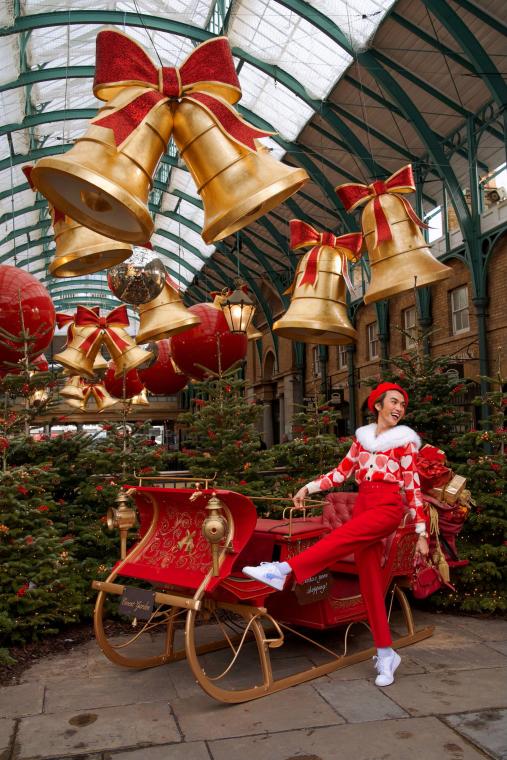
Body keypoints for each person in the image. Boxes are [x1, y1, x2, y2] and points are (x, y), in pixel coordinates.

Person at [243, 382, 429, 687]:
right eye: (394, 402)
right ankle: (386, 655)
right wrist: (308, 487)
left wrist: (421, 531)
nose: (399, 408)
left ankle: (285, 569)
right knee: (370, 584)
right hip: (364, 505)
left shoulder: (404, 442)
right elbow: (341, 473)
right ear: (378, 405)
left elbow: (413, 487)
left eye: (403, 405)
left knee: (338, 538)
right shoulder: (362, 440)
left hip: (387, 507)